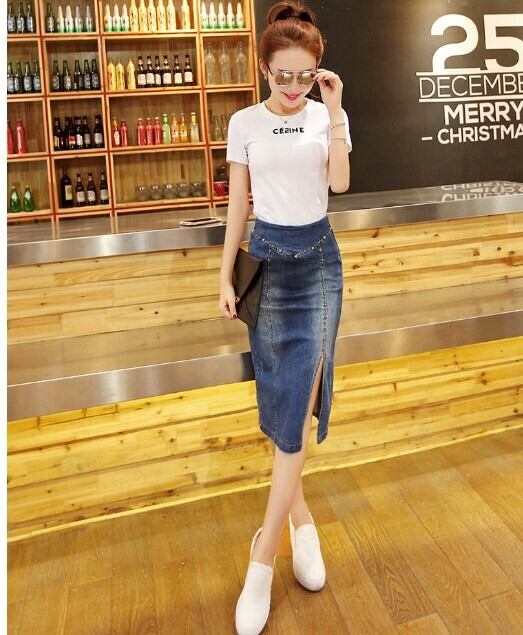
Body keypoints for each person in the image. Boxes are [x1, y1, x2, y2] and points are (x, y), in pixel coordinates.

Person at [218, 1, 352, 633]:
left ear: (317, 72)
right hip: (268, 265)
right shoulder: (243, 122)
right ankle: (303, 524)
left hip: (320, 265)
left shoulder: (325, 115)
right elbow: (237, 206)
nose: (294, 88)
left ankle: (261, 558)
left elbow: (341, 184)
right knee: (281, 403)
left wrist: (339, 111)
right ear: (264, 69)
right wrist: (224, 274)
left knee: (300, 407)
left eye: (305, 76)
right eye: (283, 76)